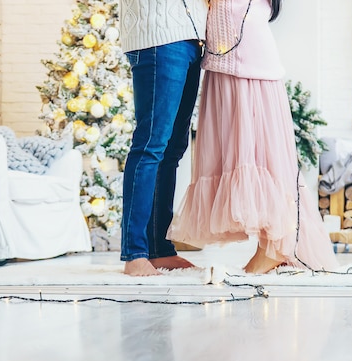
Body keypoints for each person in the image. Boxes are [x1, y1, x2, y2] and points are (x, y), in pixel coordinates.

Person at [167, 0, 339, 274]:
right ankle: (271, 247)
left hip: (247, 64)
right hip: (228, 62)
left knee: (261, 157)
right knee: (249, 156)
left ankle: (274, 247)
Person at [119, 0, 209, 276]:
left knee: (172, 150)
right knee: (150, 145)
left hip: (190, 39)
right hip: (158, 35)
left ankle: (159, 249)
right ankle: (135, 253)